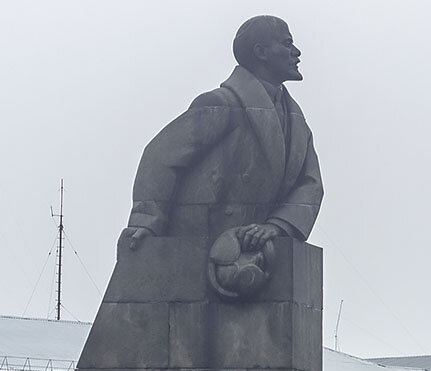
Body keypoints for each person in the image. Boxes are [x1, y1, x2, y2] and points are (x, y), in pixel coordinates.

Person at [122, 15, 323, 251]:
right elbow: (160, 156)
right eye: (287, 44)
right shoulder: (221, 103)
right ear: (261, 52)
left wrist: (277, 226)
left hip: (256, 248)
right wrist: (147, 221)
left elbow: (310, 183)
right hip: (199, 245)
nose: (296, 52)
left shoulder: (298, 124)